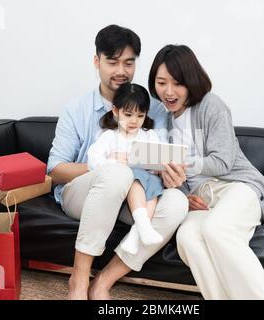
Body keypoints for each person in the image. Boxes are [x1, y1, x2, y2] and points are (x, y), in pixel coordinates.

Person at [47, 26, 188, 300]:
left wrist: (171, 174)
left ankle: (103, 281)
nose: (121, 70)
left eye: (129, 62)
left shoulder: (154, 110)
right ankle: (78, 279)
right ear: (96, 61)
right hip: (82, 193)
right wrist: (109, 167)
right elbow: (55, 170)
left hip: (133, 196)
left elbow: (163, 159)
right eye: (112, 62)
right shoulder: (76, 110)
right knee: (115, 175)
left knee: (176, 203)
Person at [148, 44, 264, 300]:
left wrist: (180, 164)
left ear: (191, 81)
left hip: (237, 187)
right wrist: (180, 192)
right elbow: (177, 179)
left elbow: (222, 162)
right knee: (187, 238)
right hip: (201, 200)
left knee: (216, 230)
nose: (168, 91)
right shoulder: (164, 121)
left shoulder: (211, 105)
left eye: (177, 83)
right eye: (161, 82)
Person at [87, 82, 164, 255]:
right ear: (115, 111)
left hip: (147, 185)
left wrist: (155, 165)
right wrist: (115, 162)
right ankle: (141, 229)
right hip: (122, 187)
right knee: (135, 177)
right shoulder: (109, 137)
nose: (134, 121)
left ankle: (135, 235)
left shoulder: (149, 135)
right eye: (128, 114)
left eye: (140, 115)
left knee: (154, 187)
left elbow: (159, 160)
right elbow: (92, 160)